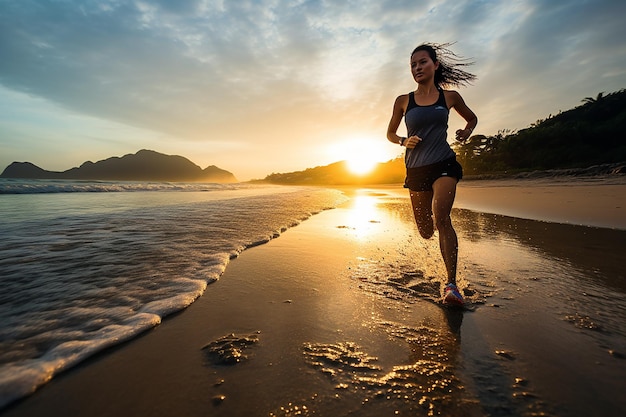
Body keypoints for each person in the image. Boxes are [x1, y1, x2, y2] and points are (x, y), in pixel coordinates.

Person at [386, 43, 478, 306]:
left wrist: (466, 132)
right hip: (416, 170)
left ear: (435, 65)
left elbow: (471, 119)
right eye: (413, 64)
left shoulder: (449, 98)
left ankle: (451, 285)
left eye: (422, 62)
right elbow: (390, 134)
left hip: (444, 163)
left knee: (442, 218)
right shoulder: (404, 101)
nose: (417, 68)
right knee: (426, 230)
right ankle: (445, 273)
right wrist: (403, 141)